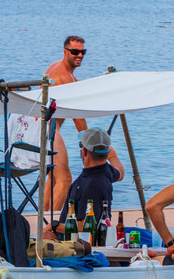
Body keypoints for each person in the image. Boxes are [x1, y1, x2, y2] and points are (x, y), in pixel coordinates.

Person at [44, 35, 90, 218]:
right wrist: (88, 143)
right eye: (75, 52)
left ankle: (44, 217)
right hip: (47, 128)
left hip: (37, 126)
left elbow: (74, 87)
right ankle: (52, 226)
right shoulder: (63, 76)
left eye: (82, 52)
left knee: (53, 177)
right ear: (65, 51)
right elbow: (78, 119)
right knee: (65, 179)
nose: (79, 55)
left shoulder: (60, 68)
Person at [58, 127, 124, 237]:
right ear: (108, 152)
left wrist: (54, 227)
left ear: (84, 151)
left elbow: (85, 227)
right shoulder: (106, 171)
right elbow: (120, 173)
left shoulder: (91, 185)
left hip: (77, 244)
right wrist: (113, 157)